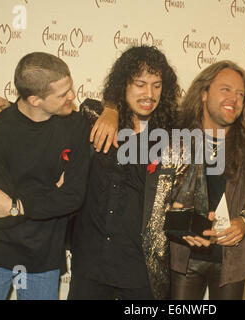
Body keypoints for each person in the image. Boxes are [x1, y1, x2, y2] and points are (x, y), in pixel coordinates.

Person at [0, 52, 91, 300]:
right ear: (35, 99)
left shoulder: (76, 127)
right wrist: (51, 192)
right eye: (63, 94)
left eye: (70, 88)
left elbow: (72, 198)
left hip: (44, 256)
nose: (72, 97)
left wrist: (16, 205)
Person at [67, 45, 182, 300]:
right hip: (90, 261)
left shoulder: (171, 138)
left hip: (140, 269)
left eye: (157, 85)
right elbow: (49, 121)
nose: (149, 94)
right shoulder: (95, 118)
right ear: (124, 85)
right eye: (140, 84)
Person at [168, 61, 245, 300]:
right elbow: (158, 195)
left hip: (231, 261)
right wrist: (179, 223)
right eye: (225, 89)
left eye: (240, 94)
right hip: (183, 257)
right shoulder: (175, 137)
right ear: (204, 94)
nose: (234, 99)